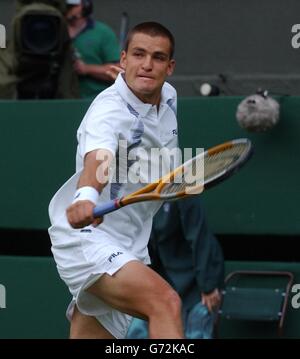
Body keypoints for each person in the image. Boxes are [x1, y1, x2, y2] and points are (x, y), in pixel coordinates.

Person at [48, 22, 185, 339]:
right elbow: (100, 157)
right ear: (122, 60)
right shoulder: (108, 110)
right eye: (138, 54)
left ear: (170, 66)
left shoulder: (169, 97)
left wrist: (176, 180)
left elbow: (158, 156)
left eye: (158, 57)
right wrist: (85, 197)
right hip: (87, 237)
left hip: (131, 243)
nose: (147, 65)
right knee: (166, 304)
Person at [126, 197, 224, 339]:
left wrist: (208, 285)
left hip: (198, 282)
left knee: (197, 332)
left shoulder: (183, 187)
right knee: (136, 330)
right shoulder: (142, 196)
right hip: (163, 277)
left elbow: (199, 236)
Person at [66, 0, 121, 99]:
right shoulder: (54, 31)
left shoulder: (103, 33)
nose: (67, 9)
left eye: (72, 6)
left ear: (86, 6)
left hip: (95, 99)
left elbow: (117, 71)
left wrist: (86, 69)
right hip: (59, 100)